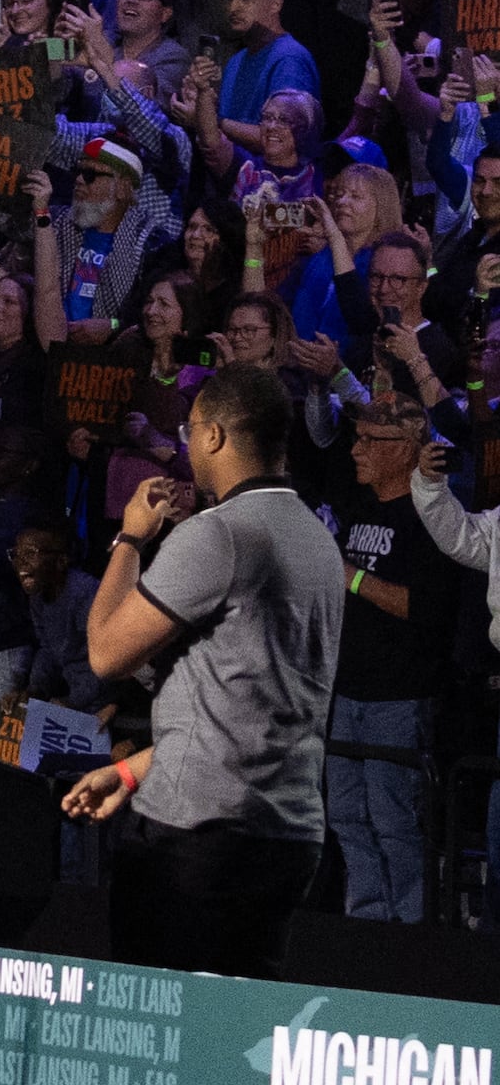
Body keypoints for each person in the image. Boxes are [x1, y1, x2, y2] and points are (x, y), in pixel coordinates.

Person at [65, 359, 339, 975]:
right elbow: (250, 702)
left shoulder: (218, 534)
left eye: (190, 431)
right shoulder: (318, 538)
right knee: (235, 1022)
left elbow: (106, 653)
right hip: (288, 836)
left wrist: (131, 539)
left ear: (213, 435)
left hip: (195, 840)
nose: (187, 445)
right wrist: (133, 770)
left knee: (159, 1019)